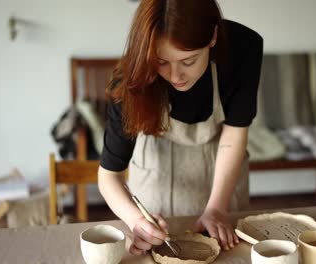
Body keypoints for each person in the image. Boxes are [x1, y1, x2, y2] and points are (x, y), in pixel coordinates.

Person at [98, 0, 263, 255]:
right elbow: (109, 176)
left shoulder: (243, 47)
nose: (176, 76)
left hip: (221, 182)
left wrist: (217, 208)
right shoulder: (133, 77)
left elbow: (236, 129)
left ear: (212, 37)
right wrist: (137, 221)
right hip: (156, 186)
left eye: (189, 61)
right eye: (162, 62)